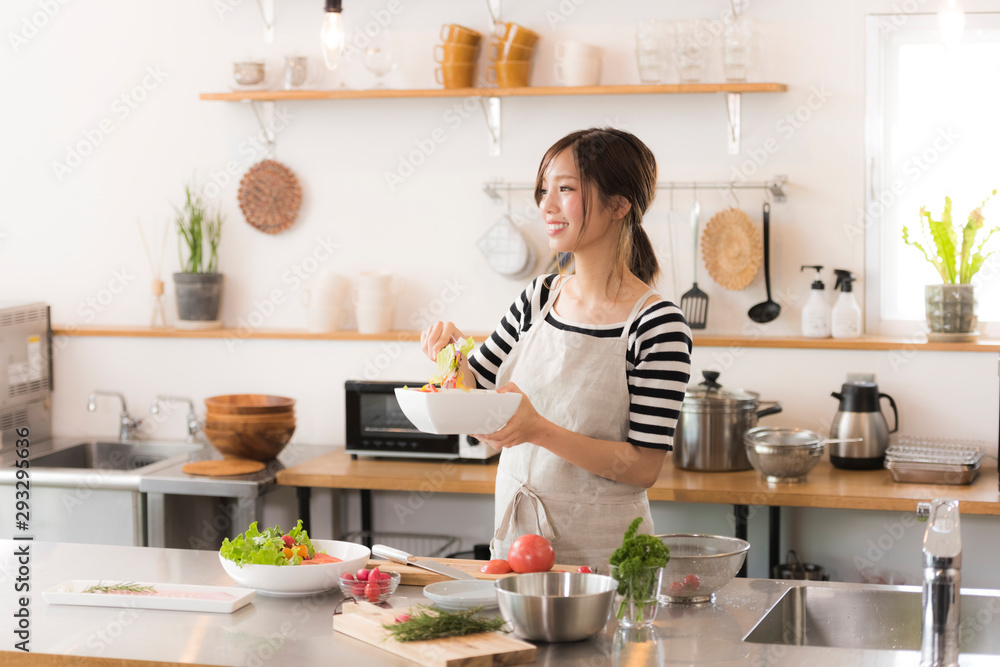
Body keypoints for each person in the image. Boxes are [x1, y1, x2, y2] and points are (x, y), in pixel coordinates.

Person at [420, 127, 692, 568]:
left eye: (565, 189)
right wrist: (452, 359)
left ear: (619, 204)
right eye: (544, 190)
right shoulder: (538, 297)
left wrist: (537, 430)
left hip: (605, 561)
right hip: (516, 548)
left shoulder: (657, 324)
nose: (546, 206)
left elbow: (643, 467)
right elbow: (477, 394)